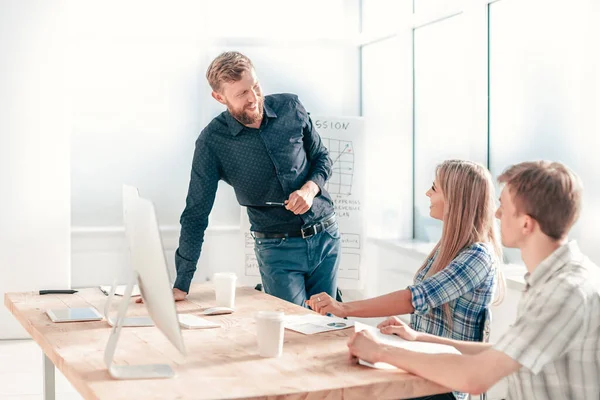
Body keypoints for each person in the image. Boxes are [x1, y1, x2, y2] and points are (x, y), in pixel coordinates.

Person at [347, 161, 600, 400]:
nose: (497, 214)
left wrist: (381, 351)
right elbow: (499, 350)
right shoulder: (551, 279)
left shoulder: (565, 291)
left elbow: (475, 377)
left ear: (526, 224)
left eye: (504, 207)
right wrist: (419, 338)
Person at [308, 159, 503, 400]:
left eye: (434, 188)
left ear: (455, 198)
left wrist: (343, 307)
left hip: (443, 388)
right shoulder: (450, 247)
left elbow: (414, 298)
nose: (427, 193)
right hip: (423, 371)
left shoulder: (477, 256)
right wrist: (410, 331)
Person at [169, 51, 340, 306]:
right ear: (219, 97)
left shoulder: (291, 107)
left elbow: (321, 157)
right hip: (277, 250)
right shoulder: (212, 141)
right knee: (292, 329)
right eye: (241, 94)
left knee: (329, 330)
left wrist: (309, 189)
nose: (253, 99)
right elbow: (196, 212)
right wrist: (181, 282)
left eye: (255, 87)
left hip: (326, 237)